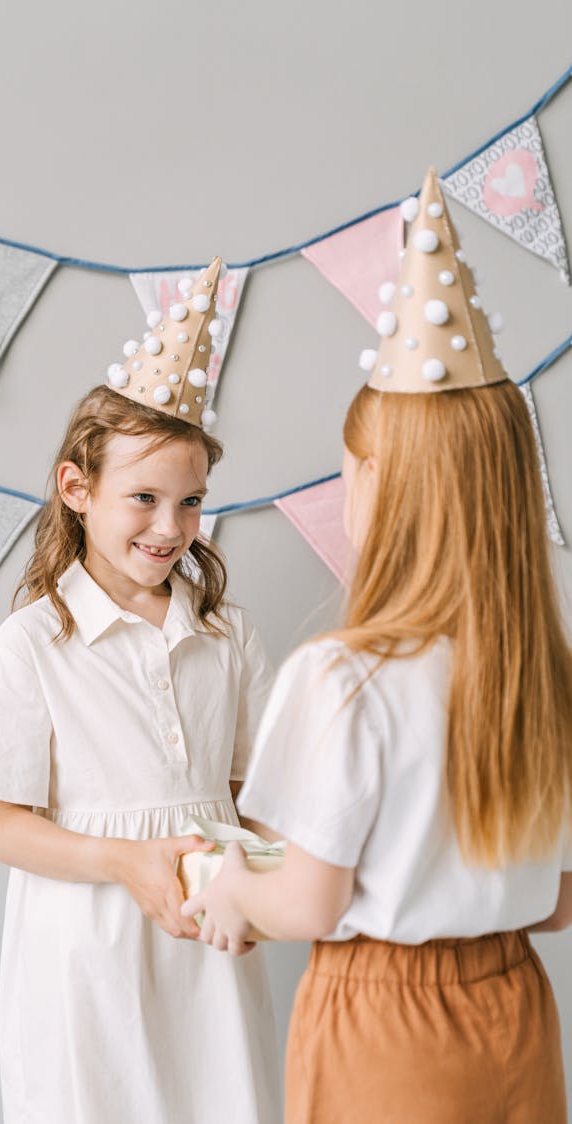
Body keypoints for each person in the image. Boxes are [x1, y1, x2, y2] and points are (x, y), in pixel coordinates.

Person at [183, 175, 572, 1123]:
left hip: (386, 1028)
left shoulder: (344, 676)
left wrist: (231, 887)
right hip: (516, 1012)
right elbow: (557, 898)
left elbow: (313, 903)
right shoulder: (542, 676)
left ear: (375, 483)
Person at [0, 257, 280, 1124]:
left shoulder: (225, 634)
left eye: (192, 502)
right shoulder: (36, 643)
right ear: (77, 489)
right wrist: (123, 861)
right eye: (144, 498)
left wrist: (265, 873)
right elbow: (4, 824)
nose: (171, 529)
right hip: (85, 954)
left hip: (204, 943)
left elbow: (253, 796)